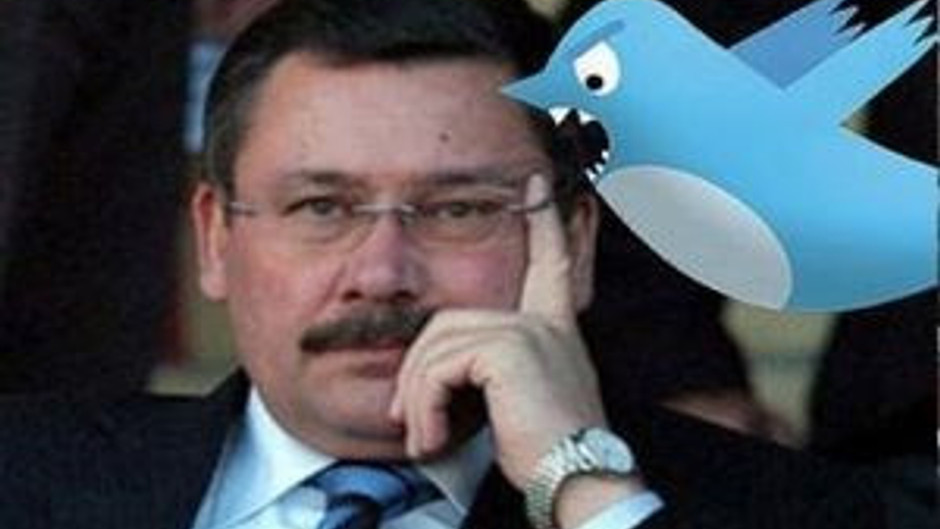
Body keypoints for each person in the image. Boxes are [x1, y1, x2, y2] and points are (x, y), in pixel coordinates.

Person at [0, 1, 885, 528]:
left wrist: (587, 489)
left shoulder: (793, 510)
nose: (381, 271)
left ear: (574, 244)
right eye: (322, 208)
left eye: (459, 210)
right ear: (216, 239)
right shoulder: (26, 478)